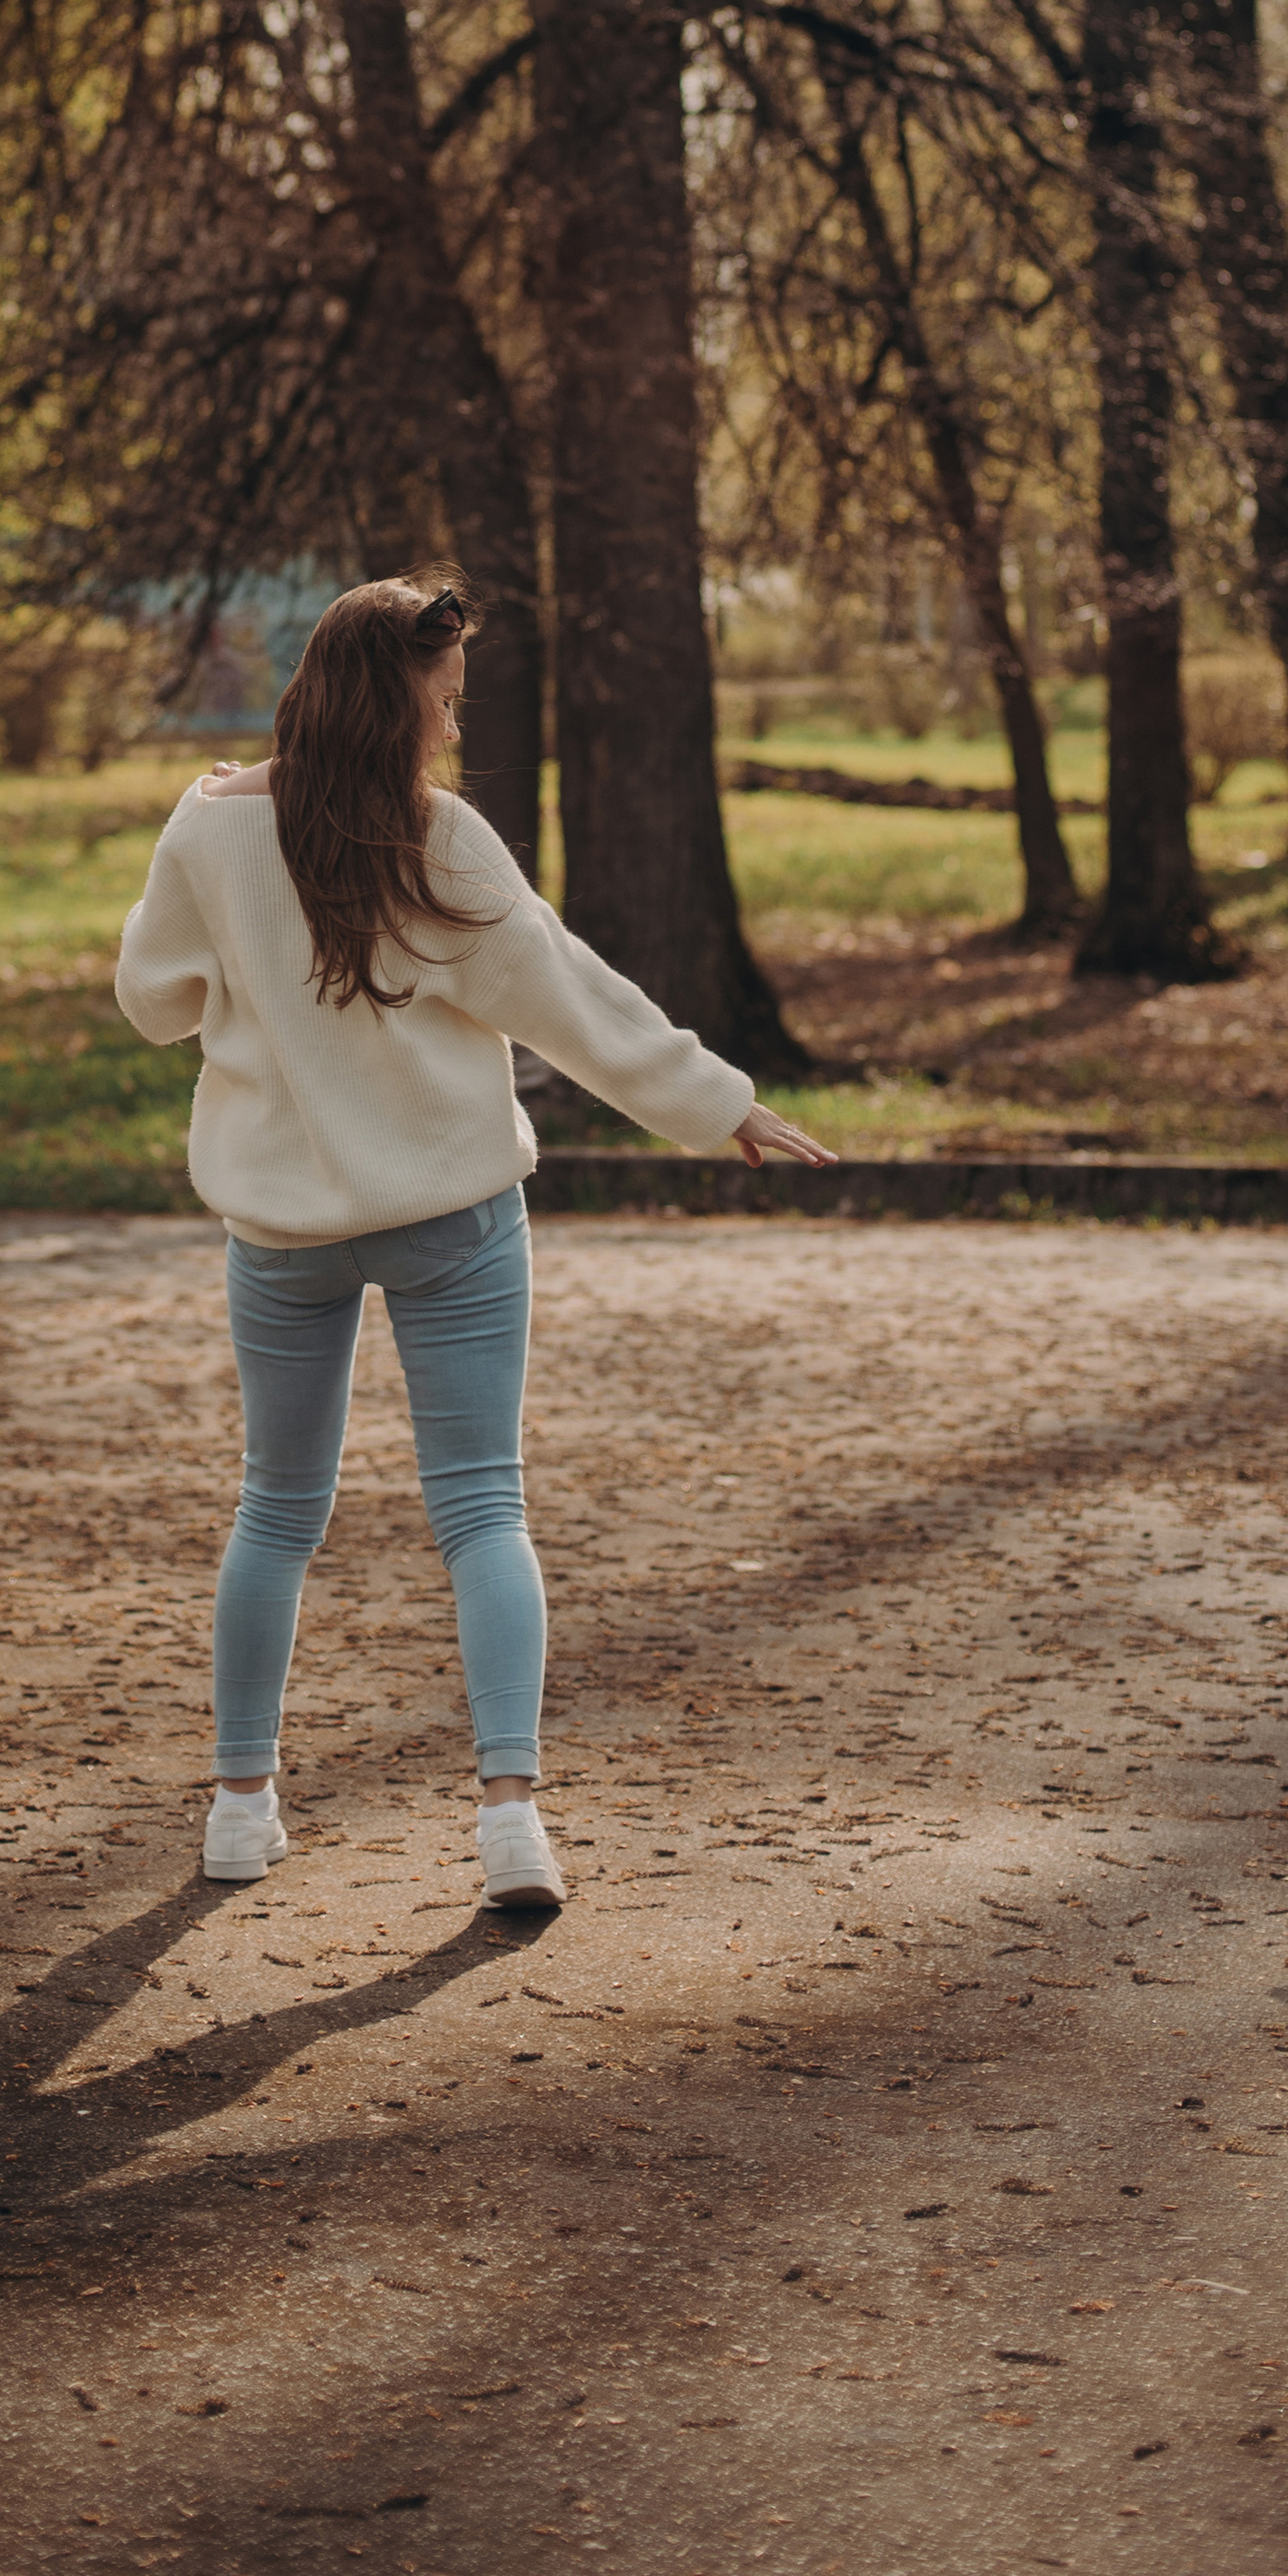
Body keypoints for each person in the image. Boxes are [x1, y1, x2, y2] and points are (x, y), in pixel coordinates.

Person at [115, 573, 833, 1905]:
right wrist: (719, 1103)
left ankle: (238, 1807)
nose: (452, 724)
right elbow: (569, 997)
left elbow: (149, 1000)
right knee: (482, 1507)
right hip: (450, 1216)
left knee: (276, 1509)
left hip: (282, 1229)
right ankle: (510, 1823)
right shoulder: (438, 838)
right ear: (389, 706)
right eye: (441, 700)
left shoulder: (209, 825)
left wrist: (238, 940)